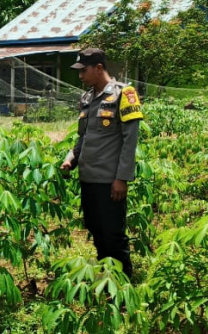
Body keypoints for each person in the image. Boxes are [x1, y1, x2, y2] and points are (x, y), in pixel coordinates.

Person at [60, 48, 143, 279]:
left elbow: (130, 141)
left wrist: (122, 178)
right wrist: (71, 158)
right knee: (96, 231)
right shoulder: (86, 98)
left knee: (113, 235)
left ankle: (123, 286)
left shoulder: (123, 94)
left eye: (84, 71)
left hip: (110, 181)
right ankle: (107, 279)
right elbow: (83, 137)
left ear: (98, 68)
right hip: (88, 178)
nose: (80, 76)